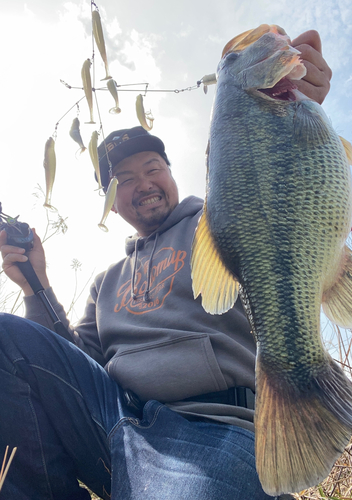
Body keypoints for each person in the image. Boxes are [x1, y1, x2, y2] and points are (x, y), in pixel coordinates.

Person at [0, 30, 332, 500]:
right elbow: (69, 369)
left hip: (213, 428)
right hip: (114, 422)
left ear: (174, 173)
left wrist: (290, 101)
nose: (144, 184)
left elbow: (270, 183)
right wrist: (37, 286)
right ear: (112, 203)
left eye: (154, 167)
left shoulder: (217, 219)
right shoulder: (103, 283)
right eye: (125, 179)